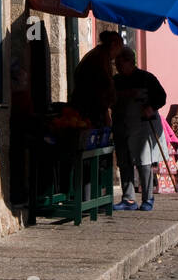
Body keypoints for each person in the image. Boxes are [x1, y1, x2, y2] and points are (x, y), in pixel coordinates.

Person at [112, 47, 167, 211]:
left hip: (142, 124)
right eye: (117, 65)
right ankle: (128, 199)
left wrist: (151, 107)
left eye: (120, 64)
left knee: (144, 161)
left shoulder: (146, 78)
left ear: (130, 62)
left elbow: (161, 96)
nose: (118, 68)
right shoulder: (116, 80)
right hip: (121, 123)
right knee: (124, 161)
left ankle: (148, 198)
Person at [70, 29, 123, 125]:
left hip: (85, 107)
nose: (119, 53)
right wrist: (106, 114)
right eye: (120, 47)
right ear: (113, 44)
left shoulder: (99, 54)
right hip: (90, 111)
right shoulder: (100, 59)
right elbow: (100, 90)